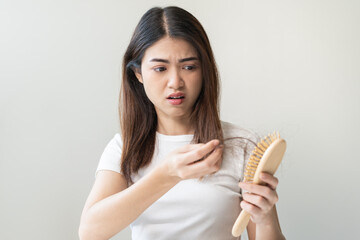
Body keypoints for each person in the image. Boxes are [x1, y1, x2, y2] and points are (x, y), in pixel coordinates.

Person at [79, 6, 285, 240]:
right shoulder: (124, 148)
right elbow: (89, 232)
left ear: (204, 70)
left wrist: (265, 217)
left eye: (189, 67)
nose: (175, 82)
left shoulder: (242, 144)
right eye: (160, 68)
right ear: (138, 74)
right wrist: (167, 175)